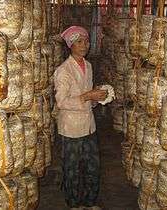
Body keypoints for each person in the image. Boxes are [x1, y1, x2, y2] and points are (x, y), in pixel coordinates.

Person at [54, 26, 107, 210]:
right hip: (71, 128)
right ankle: (74, 204)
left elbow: (88, 97)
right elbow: (61, 101)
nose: (85, 44)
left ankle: (90, 202)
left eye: (86, 40)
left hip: (88, 125)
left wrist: (97, 98)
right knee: (72, 169)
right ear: (70, 45)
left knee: (92, 166)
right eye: (79, 41)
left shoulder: (89, 65)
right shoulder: (63, 70)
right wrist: (87, 96)